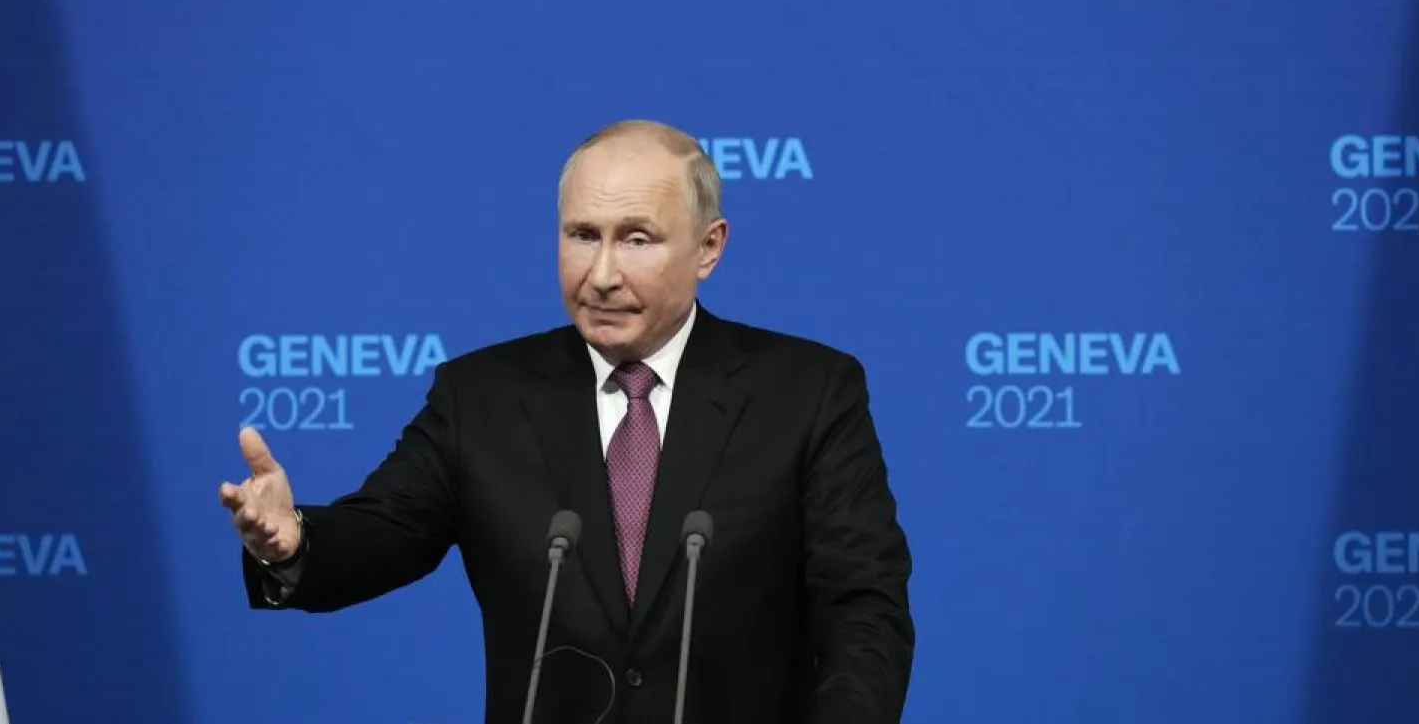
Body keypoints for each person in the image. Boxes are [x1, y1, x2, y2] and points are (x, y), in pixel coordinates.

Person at [218, 119, 914, 724]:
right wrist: (293, 542)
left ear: (709, 247)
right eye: (583, 235)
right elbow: (384, 532)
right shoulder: (482, 395)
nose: (602, 272)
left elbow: (864, 609)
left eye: (636, 239)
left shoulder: (808, 392)